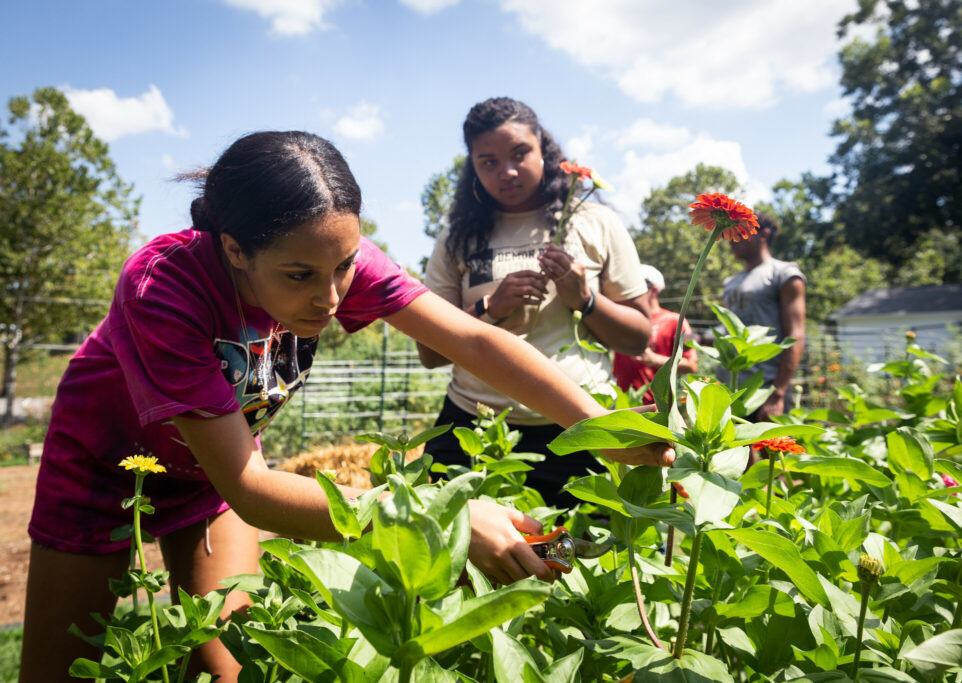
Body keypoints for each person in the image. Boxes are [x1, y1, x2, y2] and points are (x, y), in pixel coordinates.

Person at [19, 131, 673, 683]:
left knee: (234, 665)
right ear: (234, 248)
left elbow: (473, 337)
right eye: (301, 275)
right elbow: (250, 488)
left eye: (345, 266)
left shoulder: (330, 257)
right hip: (104, 475)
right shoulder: (165, 286)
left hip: (207, 479)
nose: (331, 298)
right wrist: (441, 522)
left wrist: (608, 429)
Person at [416, 97, 652, 505]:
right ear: (472, 166)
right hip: (476, 429)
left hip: (578, 426)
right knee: (456, 557)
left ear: (544, 148)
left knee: (570, 560)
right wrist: (488, 308)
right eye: (488, 161)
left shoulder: (594, 222)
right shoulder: (456, 237)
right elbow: (429, 353)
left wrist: (586, 299)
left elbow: (638, 337)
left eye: (519, 153)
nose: (506, 171)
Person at [717, 212, 806, 420]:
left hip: (765, 388)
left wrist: (778, 392)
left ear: (763, 234)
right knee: (732, 453)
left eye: (739, 232)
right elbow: (729, 331)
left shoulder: (784, 274)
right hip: (729, 387)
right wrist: (698, 339)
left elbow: (796, 334)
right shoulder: (730, 282)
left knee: (772, 452)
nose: (731, 239)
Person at [612, 264, 698, 404]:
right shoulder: (623, 318)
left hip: (656, 408)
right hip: (622, 405)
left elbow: (691, 366)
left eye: (637, 285)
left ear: (654, 290)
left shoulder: (675, 321)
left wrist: (654, 359)